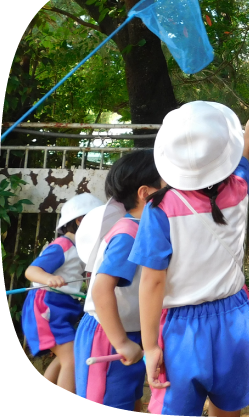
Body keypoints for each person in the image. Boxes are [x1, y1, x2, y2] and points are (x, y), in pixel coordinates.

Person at [130, 101, 249, 417]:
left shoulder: (158, 209)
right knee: (228, 408)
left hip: (181, 331)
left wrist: (150, 346)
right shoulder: (240, 187)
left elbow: (152, 281)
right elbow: (244, 153)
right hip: (234, 319)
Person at [73, 150, 162, 416]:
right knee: (106, 408)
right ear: (145, 193)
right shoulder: (128, 233)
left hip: (127, 334)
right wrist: (121, 342)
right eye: (168, 186)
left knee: (125, 404)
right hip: (108, 335)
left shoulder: (142, 228)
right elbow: (100, 289)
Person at [21, 192, 103, 417]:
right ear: (80, 221)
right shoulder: (63, 245)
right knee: (73, 360)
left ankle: (47, 405)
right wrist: (48, 278)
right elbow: (31, 271)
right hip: (47, 307)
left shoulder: (80, 249)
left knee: (67, 357)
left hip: (61, 308)